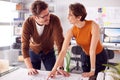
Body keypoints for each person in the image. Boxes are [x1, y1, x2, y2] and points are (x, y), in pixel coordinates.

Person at [47, 3, 108, 79]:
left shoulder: (93, 26)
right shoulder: (71, 31)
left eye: (70, 15)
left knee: (97, 77)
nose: (67, 17)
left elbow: (92, 50)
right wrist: (54, 69)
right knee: (85, 77)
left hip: (99, 56)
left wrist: (92, 70)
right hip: (85, 56)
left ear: (79, 17)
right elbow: (63, 51)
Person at [21, 0, 64, 75]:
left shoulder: (54, 20)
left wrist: (60, 66)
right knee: (34, 75)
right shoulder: (28, 23)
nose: (48, 18)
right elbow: (24, 46)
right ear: (35, 17)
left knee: (54, 74)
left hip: (49, 51)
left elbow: (60, 43)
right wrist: (29, 68)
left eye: (48, 14)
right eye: (44, 16)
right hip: (33, 51)